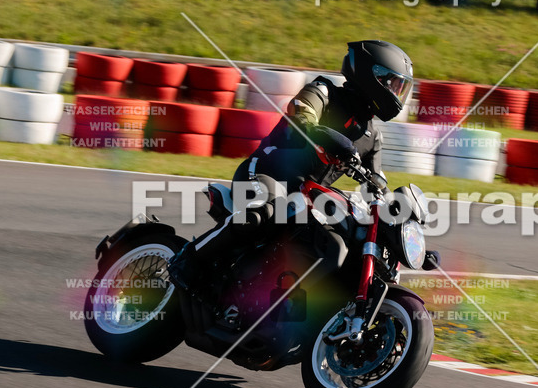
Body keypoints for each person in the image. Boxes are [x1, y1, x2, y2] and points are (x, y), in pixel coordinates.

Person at [167, 40, 414, 293]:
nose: (397, 94)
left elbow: (377, 183)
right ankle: (188, 260)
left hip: (305, 197)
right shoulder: (325, 92)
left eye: (401, 88)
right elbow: (302, 112)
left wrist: (400, 227)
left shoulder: (372, 136)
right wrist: (326, 136)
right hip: (265, 172)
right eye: (394, 84)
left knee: (341, 238)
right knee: (264, 211)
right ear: (371, 77)